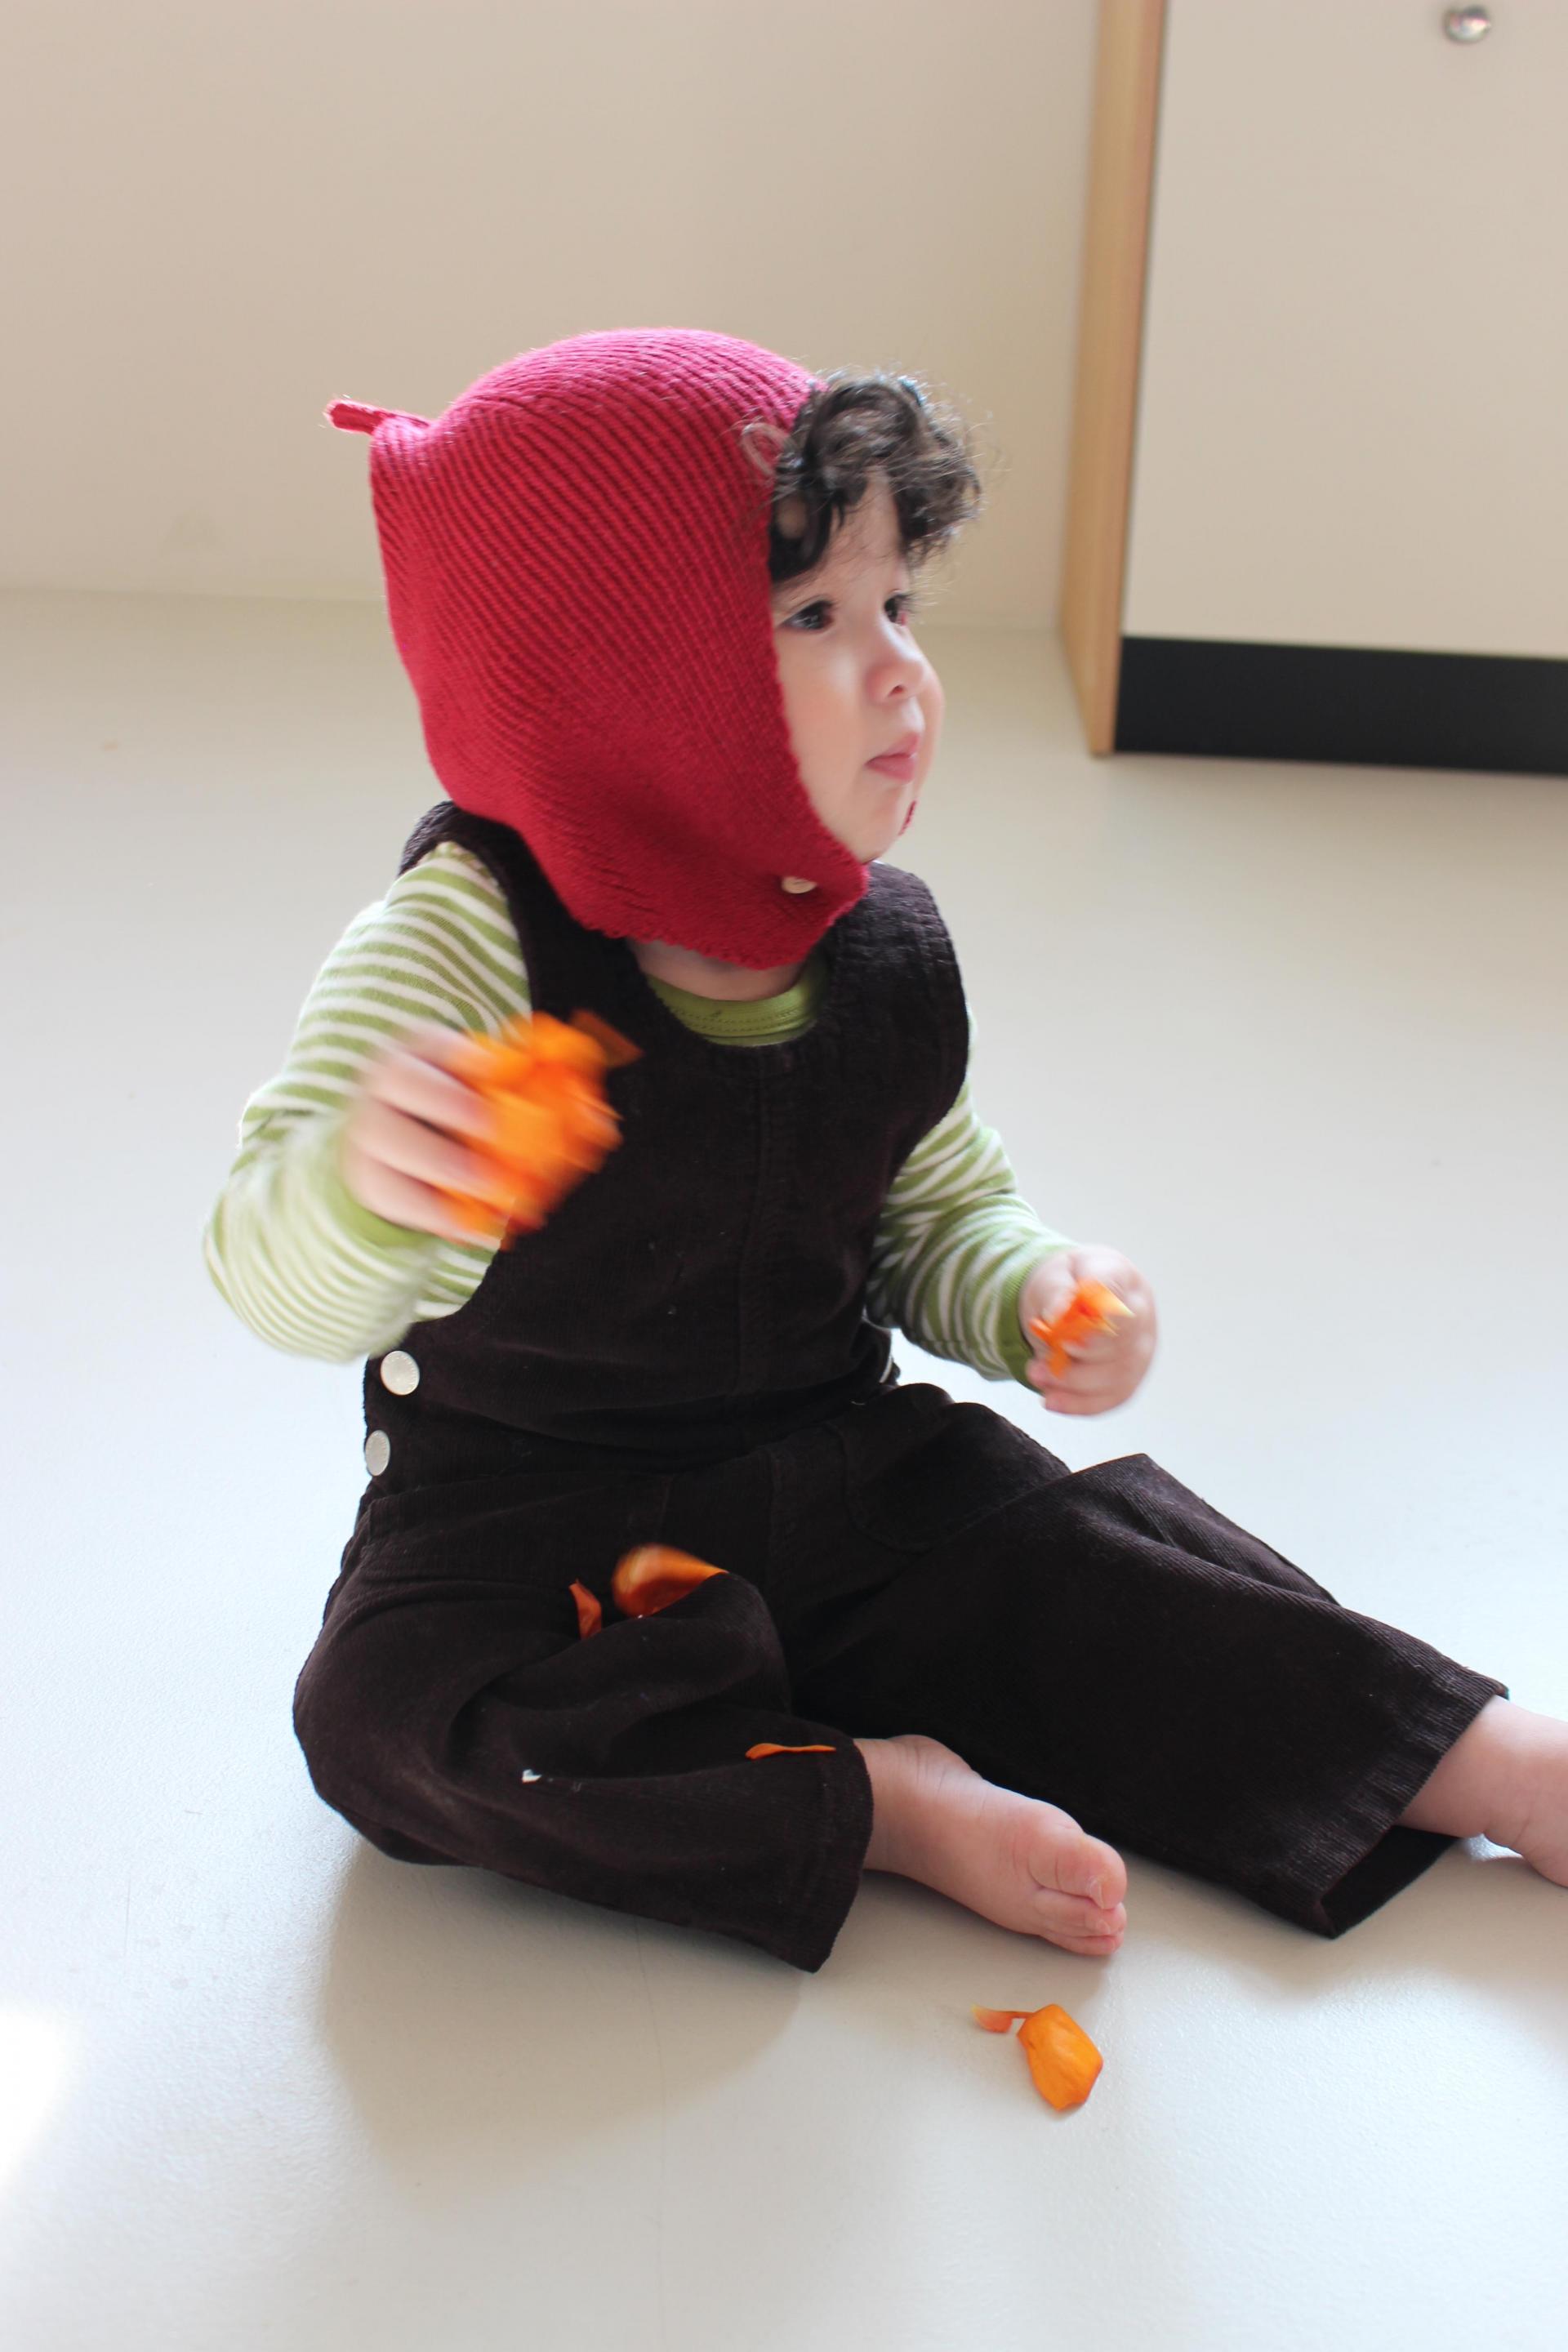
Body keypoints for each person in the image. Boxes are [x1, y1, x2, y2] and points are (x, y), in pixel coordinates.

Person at [203, 328, 1567, 1972]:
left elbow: (932, 1209)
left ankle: (1465, 1756)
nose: (901, 669)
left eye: (898, 604)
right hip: (530, 1513)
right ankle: (869, 1797)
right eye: (815, 618)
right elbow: (264, 1271)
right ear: (615, 679)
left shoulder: (870, 945)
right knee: (385, 1722)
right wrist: (366, 1185)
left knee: (1078, 1565)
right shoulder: (461, 947)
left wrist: (1032, 1292)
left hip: (842, 1471)